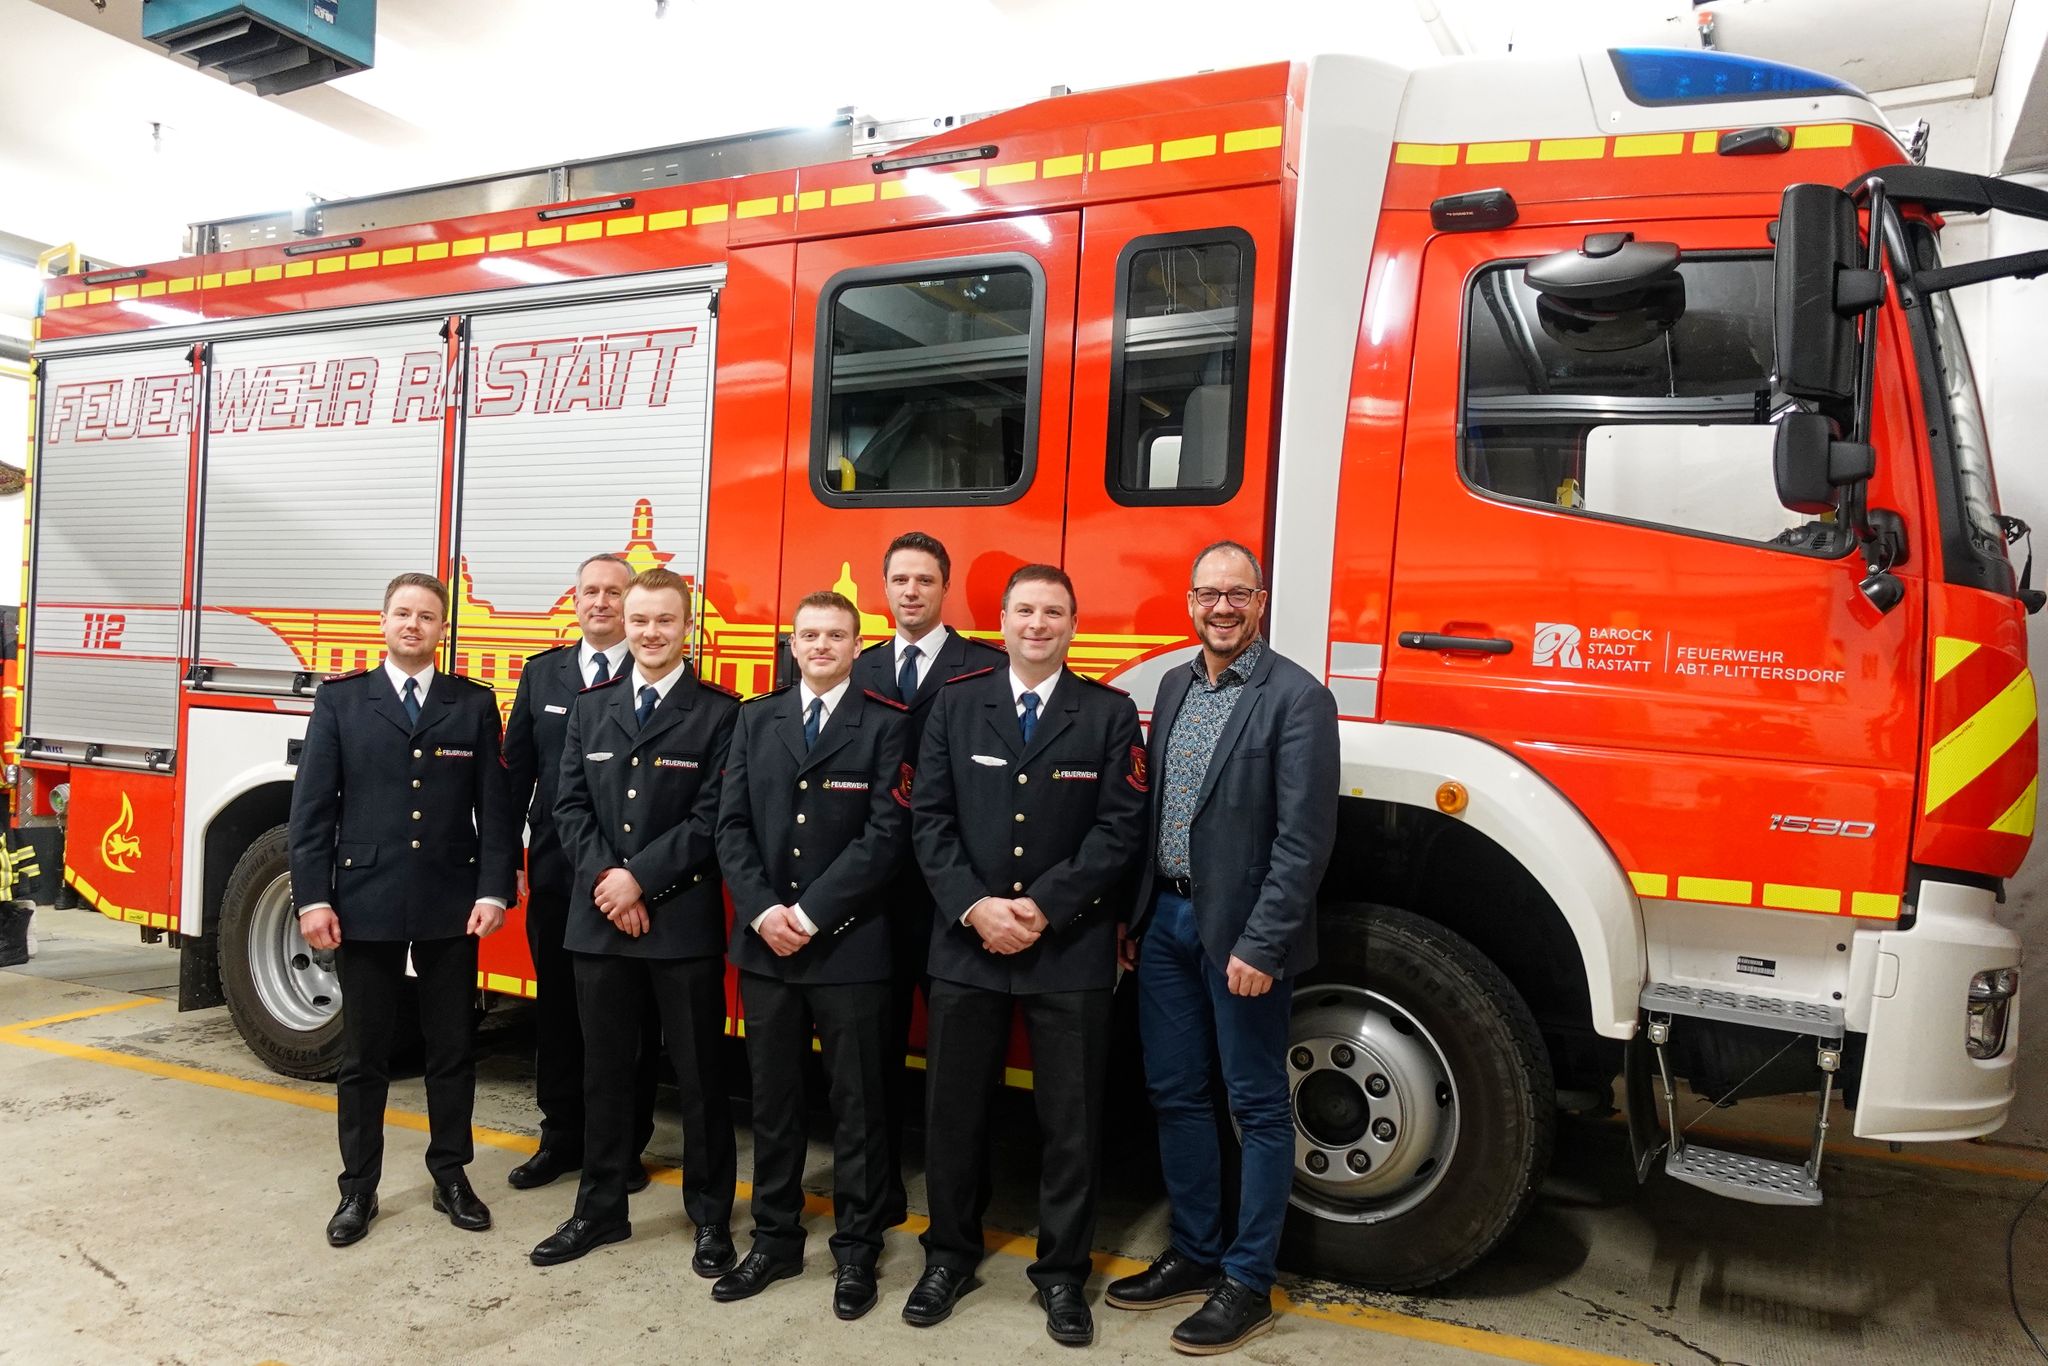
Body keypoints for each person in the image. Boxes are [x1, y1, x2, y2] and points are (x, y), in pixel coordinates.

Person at [901, 564, 1146, 1348]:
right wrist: (976, 906)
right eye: (1025, 611)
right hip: (967, 944)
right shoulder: (955, 705)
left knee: (1070, 1123)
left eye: (1053, 613)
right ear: (1002, 622)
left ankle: (1063, 1274)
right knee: (954, 1115)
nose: (1038, 625)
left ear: (1073, 624)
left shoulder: (1108, 715)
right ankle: (948, 1257)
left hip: (1066, 948)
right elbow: (928, 819)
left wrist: (1042, 908)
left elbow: (1119, 828)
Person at [1106, 541, 1338, 1355]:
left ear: (1261, 603)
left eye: (1238, 594)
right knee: (1175, 1094)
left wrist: (1263, 944)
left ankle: (1248, 1281)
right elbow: (1157, 813)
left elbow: (1304, 841)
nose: (1223, 608)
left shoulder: (1298, 699)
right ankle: (1197, 1252)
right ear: (1190, 602)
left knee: (1258, 1106)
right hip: (1165, 925)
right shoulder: (1174, 686)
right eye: (1209, 594)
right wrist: (1135, 919)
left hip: (1242, 939)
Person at [289, 571, 518, 1248]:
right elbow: (312, 811)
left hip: (451, 901)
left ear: (443, 629)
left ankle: (451, 1175)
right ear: (383, 622)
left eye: (426, 616)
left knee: (452, 1050)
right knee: (365, 1055)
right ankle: (358, 1188)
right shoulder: (342, 701)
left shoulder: (472, 703)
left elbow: (495, 806)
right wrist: (313, 898)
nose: (413, 624)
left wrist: (493, 889)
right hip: (365, 900)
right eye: (402, 613)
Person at [528, 568, 742, 1274]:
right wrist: (608, 881)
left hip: (680, 922)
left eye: (665, 621)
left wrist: (639, 880)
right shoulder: (590, 708)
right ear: (626, 623)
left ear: (688, 628)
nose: (651, 633)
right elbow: (566, 806)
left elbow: (713, 818)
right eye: (640, 619)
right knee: (605, 1073)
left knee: (701, 1077)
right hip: (600, 919)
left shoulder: (721, 713)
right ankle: (599, 1211)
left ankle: (710, 1218)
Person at [712, 590, 913, 1320]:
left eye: (835, 635)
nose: (821, 646)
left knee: (859, 1106)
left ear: (858, 647)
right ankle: (774, 1240)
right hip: (768, 946)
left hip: (850, 946)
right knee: (774, 1103)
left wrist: (810, 913)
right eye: (809, 635)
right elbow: (731, 825)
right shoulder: (754, 719)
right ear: (792, 645)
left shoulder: (887, 724)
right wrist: (765, 911)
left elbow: (886, 836)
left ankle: (857, 1250)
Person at [849, 530, 1006, 1224]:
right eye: (900, 580)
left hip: (955, 899)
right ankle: (878, 1197)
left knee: (959, 1071)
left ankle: (958, 1214)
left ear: (945, 588)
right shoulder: (857, 667)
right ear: (884, 589)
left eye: (925, 580)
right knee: (870, 1060)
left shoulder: (986, 667)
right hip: (871, 898)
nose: (911, 591)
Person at [502, 553, 660, 1194]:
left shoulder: (654, 673)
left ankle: (623, 1147)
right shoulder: (543, 674)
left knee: (631, 1021)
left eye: (614, 592)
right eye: (590, 591)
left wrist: (637, 877)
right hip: (557, 876)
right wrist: (505, 862)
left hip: (629, 883)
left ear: (631, 603)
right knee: (558, 1012)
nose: (601, 602)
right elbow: (516, 775)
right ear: (574, 601)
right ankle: (561, 1136)